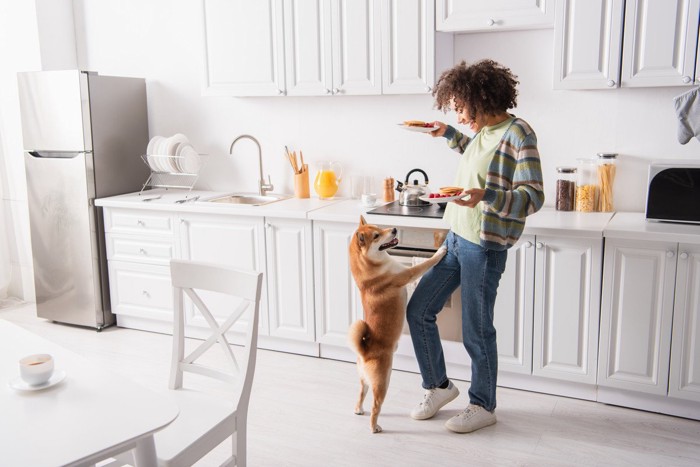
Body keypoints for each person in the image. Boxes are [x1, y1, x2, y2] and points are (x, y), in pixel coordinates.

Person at [406, 59, 544, 434]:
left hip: (484, 246)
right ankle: (438, 386)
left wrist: (487, 196)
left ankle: (483, 404)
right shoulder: (484, 131)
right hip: (456, 237)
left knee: (476, 330)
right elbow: (475, 152)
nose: (459, 114)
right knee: (418, 310)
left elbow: (532, 195)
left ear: (480, 100)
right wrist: (447, 132)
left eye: (459, 108)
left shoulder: (519, 134)